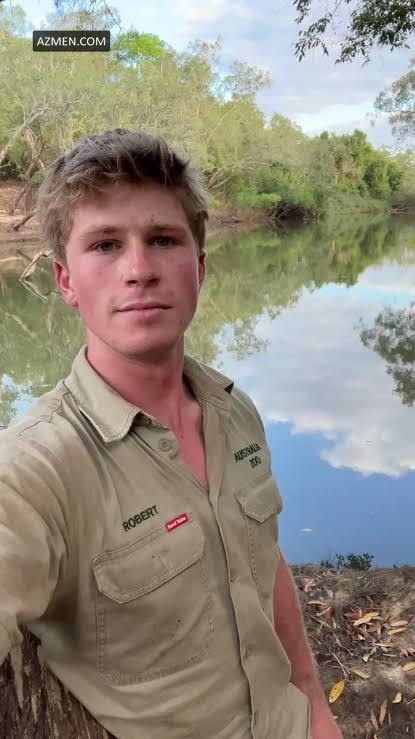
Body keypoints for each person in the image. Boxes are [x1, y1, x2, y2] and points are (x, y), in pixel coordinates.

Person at [0, 129, 342, 739]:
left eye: (163, 239)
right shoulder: (36, 468)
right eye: (105, 245)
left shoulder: (234, 411)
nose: (139, 270)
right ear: (65, 280)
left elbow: (265, 563)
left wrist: (314, 703)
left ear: (199, 268)